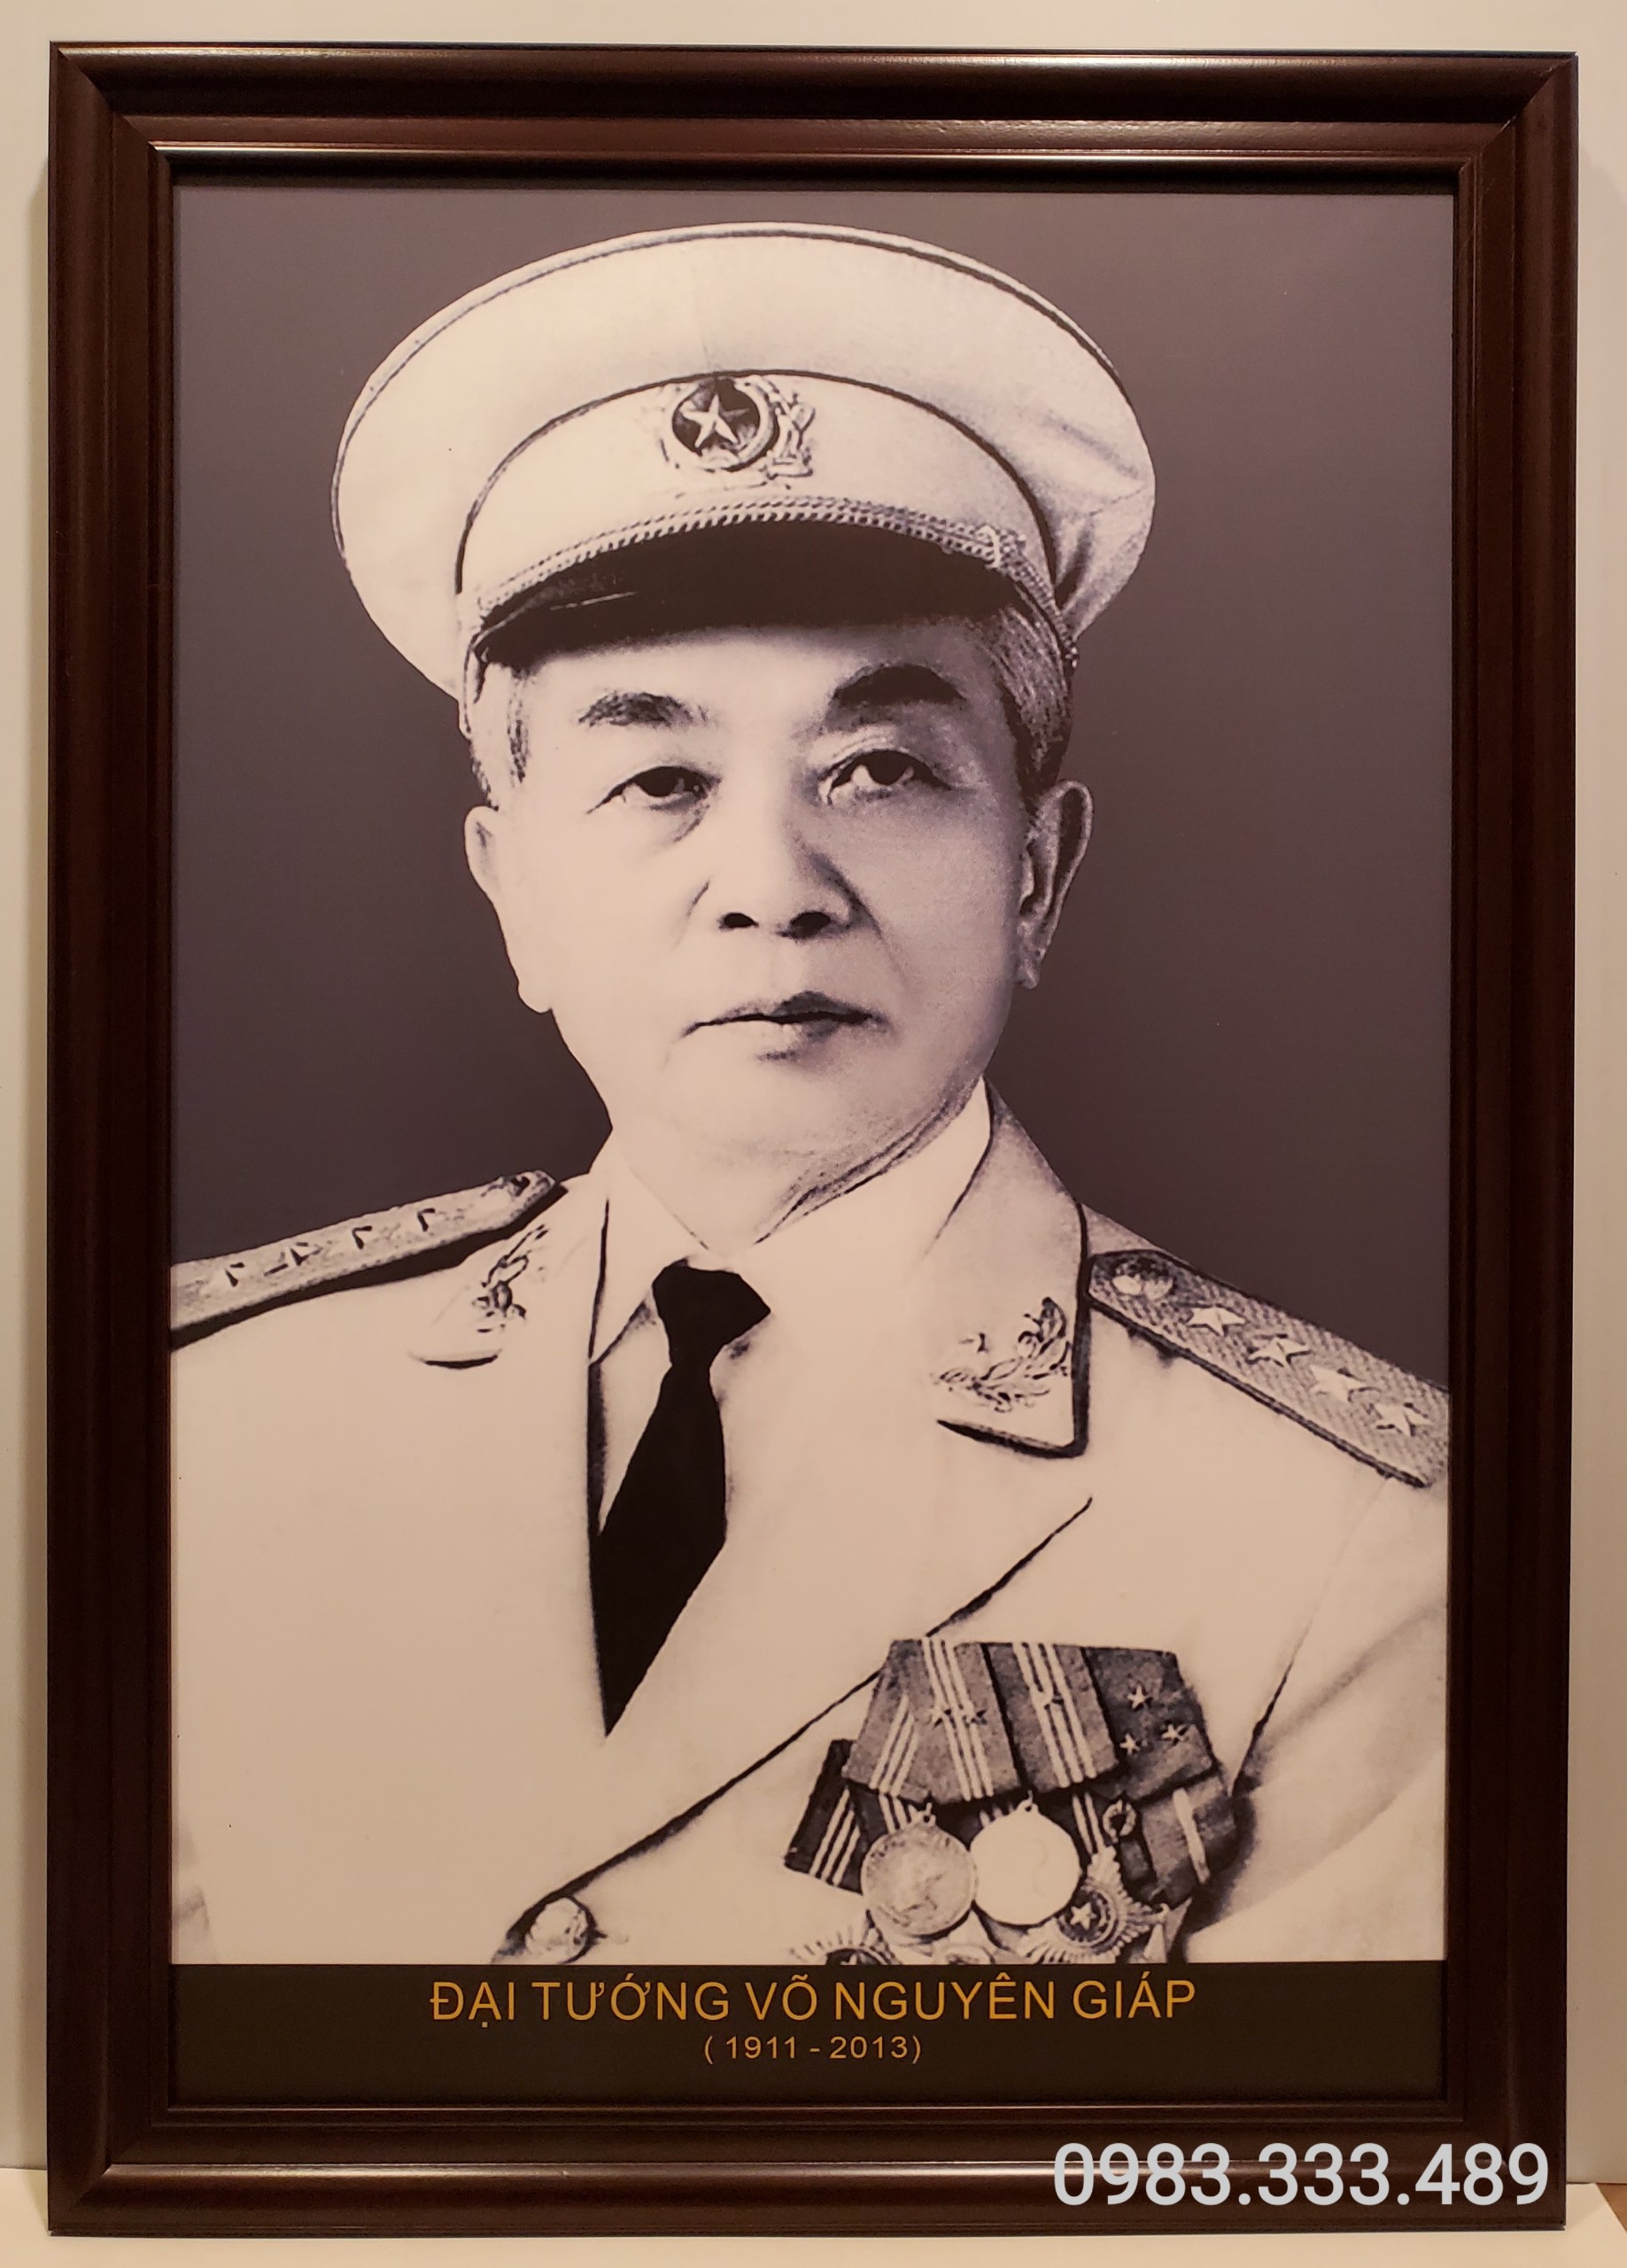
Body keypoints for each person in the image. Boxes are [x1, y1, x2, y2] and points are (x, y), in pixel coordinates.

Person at [170, 222, 1447, 1970]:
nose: (771, 888)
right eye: (658, 777)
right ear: (510, 891)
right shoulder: (209, 1429)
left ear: (1035, 875)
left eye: (880, 767)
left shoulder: (1348, 1532)